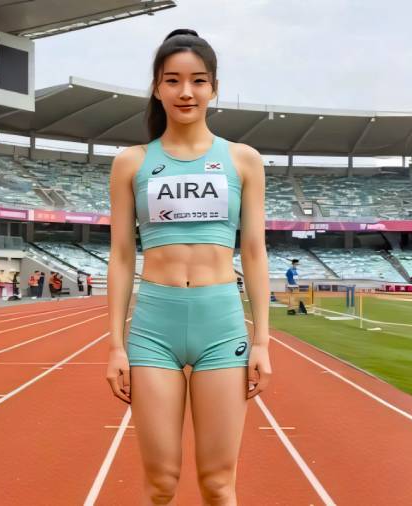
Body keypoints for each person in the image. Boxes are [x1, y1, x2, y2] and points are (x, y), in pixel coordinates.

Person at [104, 29, 271, 505]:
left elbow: (255, 253)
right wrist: (115, 347)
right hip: (154, 325)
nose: (185, 92)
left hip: (221, 323)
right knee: (160, 484)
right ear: (157, 87)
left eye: (198, 81)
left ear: (213, 87)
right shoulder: (130, 164)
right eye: (172, 80)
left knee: (219, 484)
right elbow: (121, 256)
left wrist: (262, 341)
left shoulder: (244, 161)